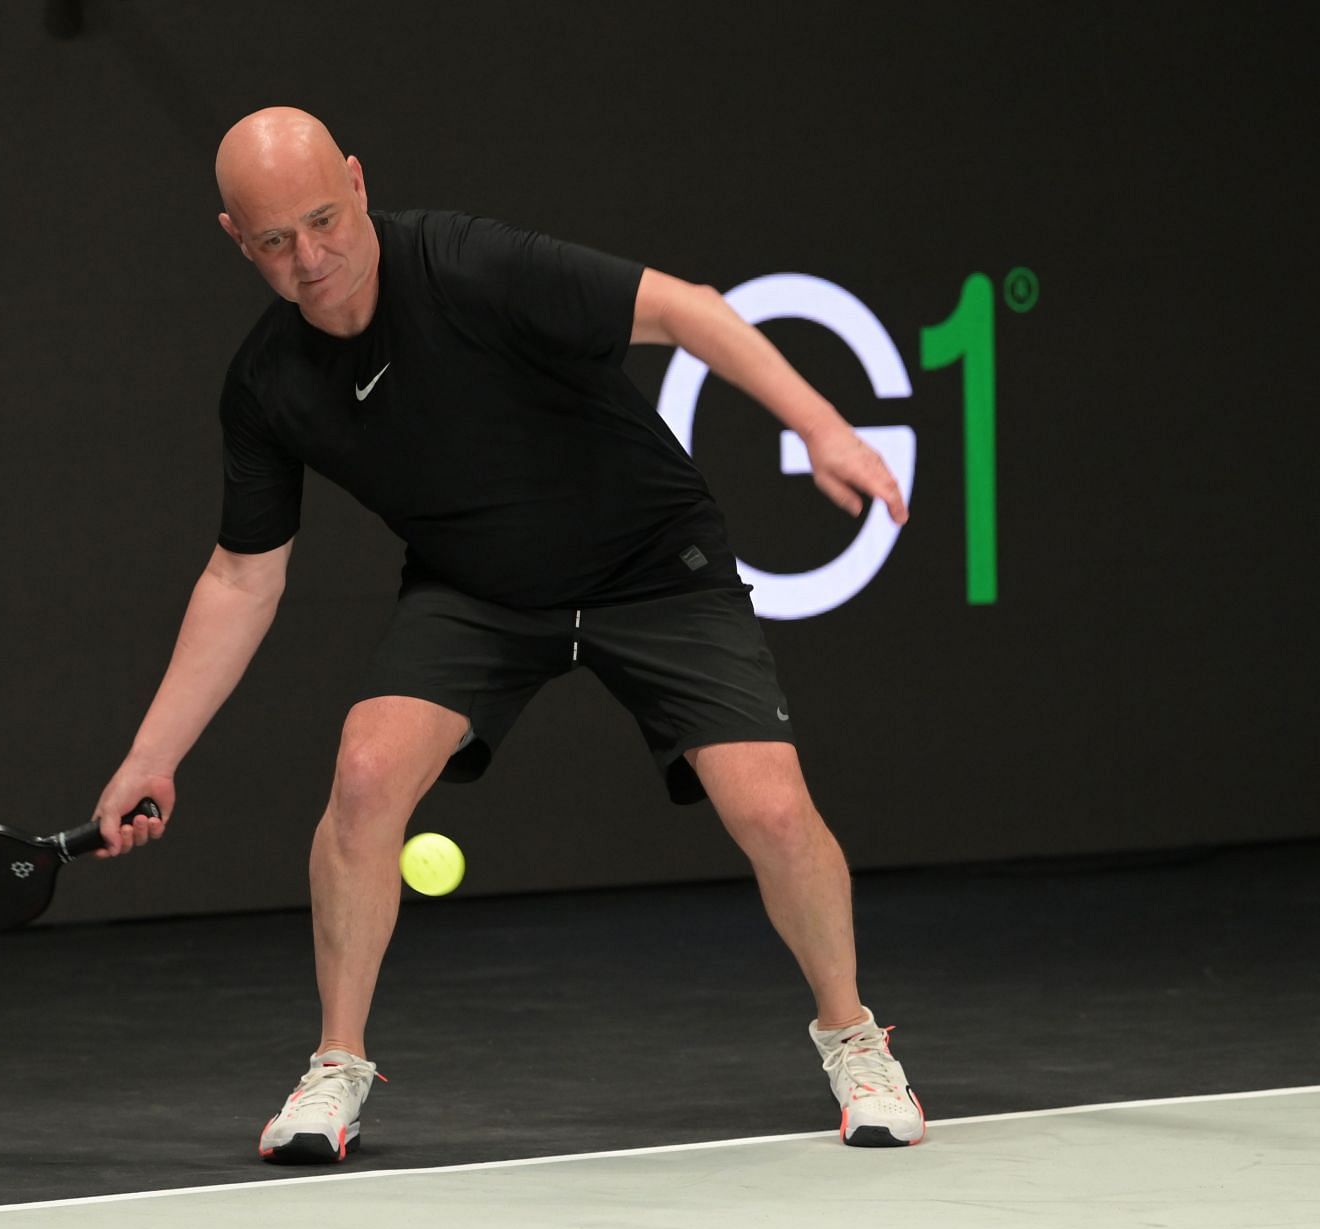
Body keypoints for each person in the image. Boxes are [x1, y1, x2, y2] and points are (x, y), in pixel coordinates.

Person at [91, 106, 924, 1164]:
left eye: (323, 220)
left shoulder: (471, 265)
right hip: (478, 591)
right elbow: (242, 575)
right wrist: (152, 753)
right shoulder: (268, 383)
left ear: (356, 181)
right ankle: (334, 1067)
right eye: (273, 241)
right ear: (234, 238)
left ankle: (854, 1036)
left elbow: (692, 312)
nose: (311, 258)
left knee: (766, 797)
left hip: (648, 565)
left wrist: (821, 428)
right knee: (364, 772)